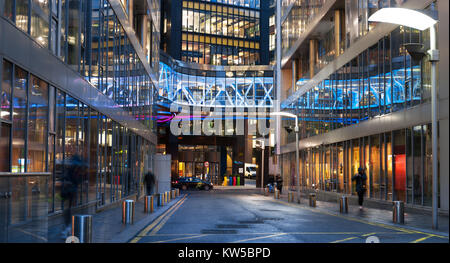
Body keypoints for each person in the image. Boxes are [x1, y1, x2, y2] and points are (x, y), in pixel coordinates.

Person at [60, 154, 85, 238]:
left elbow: (76, 182)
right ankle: (67, 228)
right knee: (68, 210)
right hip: (68, 193)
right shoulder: (72, 171)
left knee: (68, 210)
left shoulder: (73, 171)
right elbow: (72, 181)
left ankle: (67, 228)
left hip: (69, 193)